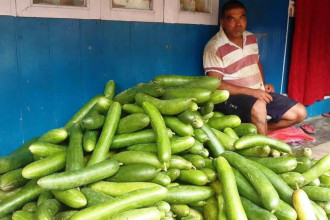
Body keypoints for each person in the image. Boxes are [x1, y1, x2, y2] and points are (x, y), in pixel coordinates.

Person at [203, 0, 306, 135]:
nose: (238, 24)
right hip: (231, 98)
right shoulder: (214, 47)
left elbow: (256, 63)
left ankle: (258, 131)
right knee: (259, 106)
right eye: (232, 19)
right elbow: (215, 85)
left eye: (242, 18)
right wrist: (251, 92)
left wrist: (263, 86)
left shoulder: (250, 37)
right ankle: (262, 150)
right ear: (222, 22)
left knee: (299, 113)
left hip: (257, 92)